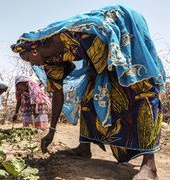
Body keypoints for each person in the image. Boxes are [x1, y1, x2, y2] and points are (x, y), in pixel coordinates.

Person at [11, 5, 165, 180]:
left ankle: (149, 165)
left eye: (29, 59)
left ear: (34, 50)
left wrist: (103, 72)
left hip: (123, 40)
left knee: (140, 91)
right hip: (100, 65)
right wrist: (51, 131)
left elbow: (105, 37)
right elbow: (57, 94)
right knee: (88, 97)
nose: (32, 64)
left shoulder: (73, 33)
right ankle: (84, 148)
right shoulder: (50, 62)